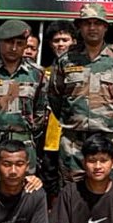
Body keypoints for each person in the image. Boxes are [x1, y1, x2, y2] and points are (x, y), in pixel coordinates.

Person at [48, 4, 113, 184]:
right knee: (72, 192)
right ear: (79, 27)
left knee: (109, 193)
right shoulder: (66, 59)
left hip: (108, 140)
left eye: (97, 23)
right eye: (87, 23)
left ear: (105, 27)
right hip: (74, 142)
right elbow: (55, 97)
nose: (92, 28)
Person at [0, 19, 47, 187]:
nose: (14, 48)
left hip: (23, 148)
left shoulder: (37, 74)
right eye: (9, 42)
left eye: (20, 43)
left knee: (23, 198)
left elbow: (40, 114)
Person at [40, 20, 76, 200]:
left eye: (65, 39)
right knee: (49, 189)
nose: (61, 44)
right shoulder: (43, 73)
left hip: (72, 140)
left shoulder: (81, 71)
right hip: (47, 141)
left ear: (74, 42)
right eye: (56, 40)